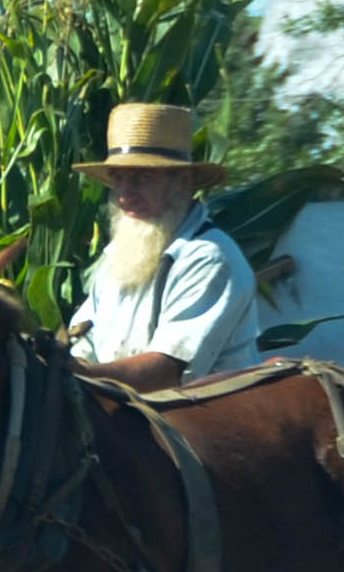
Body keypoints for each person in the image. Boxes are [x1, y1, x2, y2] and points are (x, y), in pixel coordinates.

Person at [67, 103, 261, 392]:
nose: (124, 195)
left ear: (183, 182)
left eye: (142, 178)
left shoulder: (209, 258)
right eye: (118, 179)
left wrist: (78, 376)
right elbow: (83, 341)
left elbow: (167, 371)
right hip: (134, 417)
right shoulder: (117, 259)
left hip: (204, 424)